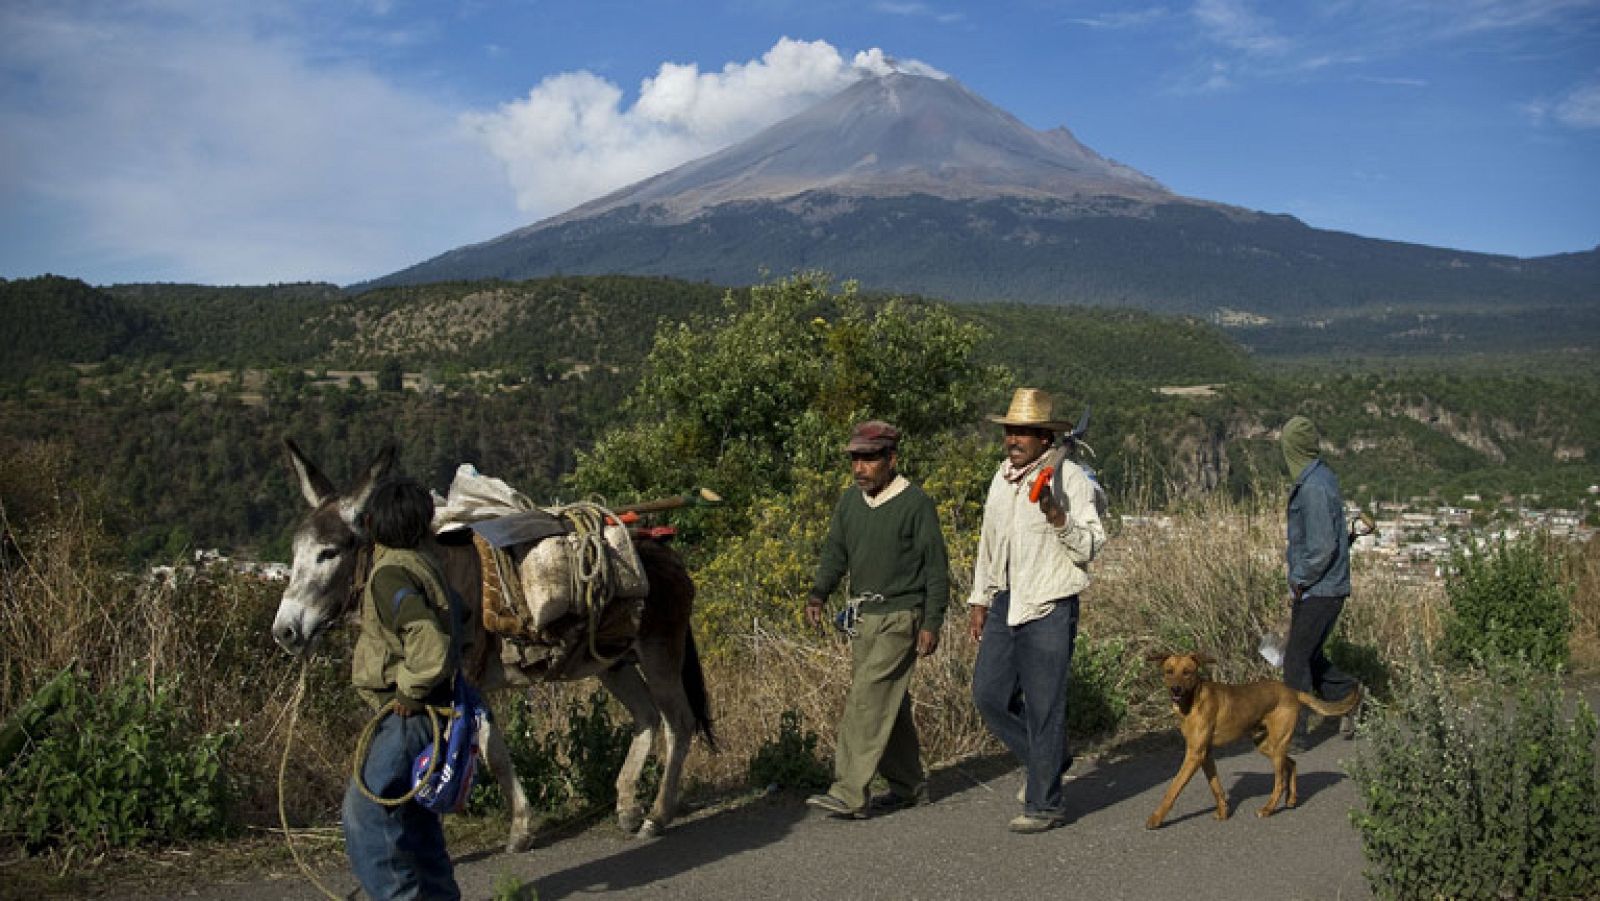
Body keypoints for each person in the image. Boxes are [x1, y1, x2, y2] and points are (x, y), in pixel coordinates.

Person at [968, 388, 1106, 834]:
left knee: (1045, 707)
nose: (1014, 439)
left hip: (1050, 602)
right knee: (989, 695)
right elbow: (990, 542)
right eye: (1010, 430)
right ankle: (1050, 757)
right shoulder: (1002, 478)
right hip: (1007, 599)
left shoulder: (1071, 479)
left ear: (1046, 437)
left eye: (1024, 432)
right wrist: (980, 597)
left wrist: (1057, 515)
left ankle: (1045, 804)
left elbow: (1091, 545)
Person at [804, 420, 951, 819]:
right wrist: (819, 593)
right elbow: (835, 551)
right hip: (864, 618)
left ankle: (848, 792)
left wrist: (931, 622)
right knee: (889, 703)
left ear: (891, 459)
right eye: (855, 459)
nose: (860, 468)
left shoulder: (915, 504)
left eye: (869, 459)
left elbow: (936, 568)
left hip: (902, 616)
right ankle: (908, 786)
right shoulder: (850, 503)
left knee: (866, 700)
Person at [341, 475, 463, 901]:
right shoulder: (424, 562)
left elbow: (428, 643)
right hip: (435, 712)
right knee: (414, 818)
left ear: (371, 524)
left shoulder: (391, 573)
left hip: (408, 717)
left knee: (367, 813)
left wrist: (410, 692)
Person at [1280, 415, 1361, 744]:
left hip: (1320, 588)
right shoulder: (1321, 477)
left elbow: (1322, 546)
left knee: (1295, 659)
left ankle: (1293, 733)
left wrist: (1300, 579)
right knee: (1308, 655)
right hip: (1325, 586)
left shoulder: (1312, 487)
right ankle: (1350, 696)